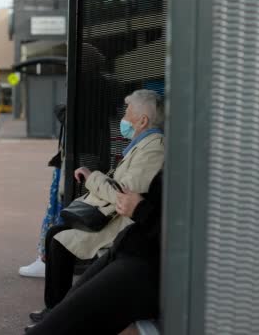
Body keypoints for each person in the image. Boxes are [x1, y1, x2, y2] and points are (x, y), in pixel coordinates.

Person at [30, 89, 165, 320]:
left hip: (119, 224)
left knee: (58, 241)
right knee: (56, 235)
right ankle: (55, 309)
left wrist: (93, 178)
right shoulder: (142, 144)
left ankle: (56, 312)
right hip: (113, 217)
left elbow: (124, 194)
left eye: (128, 111)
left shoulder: (154, 148)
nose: (123, 117)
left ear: (142, 121)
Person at [25, 169, 164, 334]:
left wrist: (140, 209)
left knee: (54, 327)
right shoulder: (177, 157)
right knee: (61, 314)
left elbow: (122, 193)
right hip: (131, 247)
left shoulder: (157, 148)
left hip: (147, 263)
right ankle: (51, 311)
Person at [19, 104, 67, 278]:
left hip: (67, 169)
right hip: (68, 164)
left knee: (56, 210)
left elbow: (60, 109)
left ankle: (46, 259)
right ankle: (46, 258)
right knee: (57, 210)